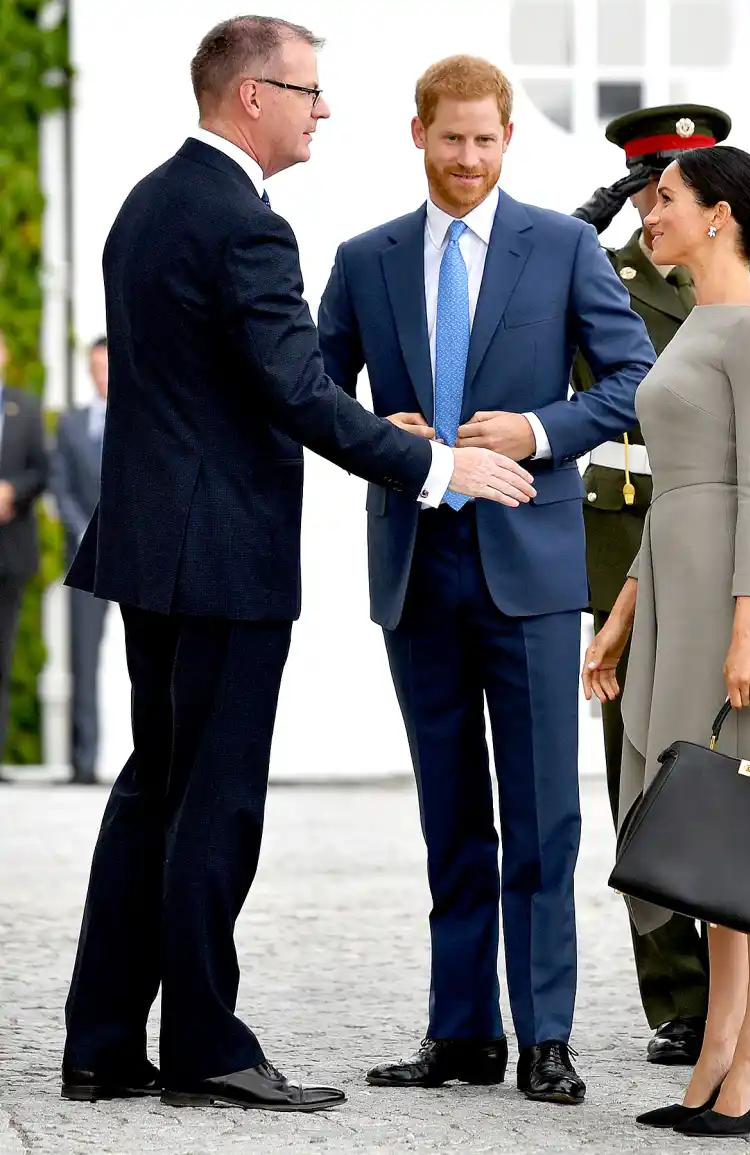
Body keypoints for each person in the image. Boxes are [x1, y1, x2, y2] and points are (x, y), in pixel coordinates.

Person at [59, 17, 534, 1114]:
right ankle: (208, 1050)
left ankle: (102, 1044)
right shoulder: (246, 225)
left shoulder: (151, 200)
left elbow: (250, 370)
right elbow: (292, 390)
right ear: (251, 98)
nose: (324, 109)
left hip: (152, 548)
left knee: (154, 792)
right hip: (220, 555)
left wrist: (369, 418)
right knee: (213, 804)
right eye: (310, 90)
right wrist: (431, 462)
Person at [317, 55, 655, 1106]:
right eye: (451, 138)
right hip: (417, 562)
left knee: (547, 812)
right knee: (452, 812)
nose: (468, 159)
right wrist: (381, 434)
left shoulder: (559, 247)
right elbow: (313, 391)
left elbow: (638, 377)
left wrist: (547, 428)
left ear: (508, 142)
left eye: (486, 141)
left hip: (533, 564)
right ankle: (462, 1035)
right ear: (416, 133)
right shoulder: (364, 259)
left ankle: (545, 1035)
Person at [571, 104, 750, 1068]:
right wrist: (625, 615)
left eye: (665, 193)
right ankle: (715, 1045)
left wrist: (749, 622)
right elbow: (670, 479)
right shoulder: (685, 304)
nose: (646, 206)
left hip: (728, 586)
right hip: (665, 574)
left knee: (741, 816)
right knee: (680, 811)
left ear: (716, 211)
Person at [50, 336, 109, 785]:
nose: (102, 374)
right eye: (96, 367)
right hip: (87, 559)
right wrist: (85, 530)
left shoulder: (145, 420)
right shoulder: (70, 425)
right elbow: (61, 487)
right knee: (82, 660)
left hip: (140, 556)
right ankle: (83, 761)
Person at [0, 327, 49, 780]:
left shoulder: (25, 408)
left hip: (9, 552)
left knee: (3, 655)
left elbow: (42, 470)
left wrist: (12, 490)